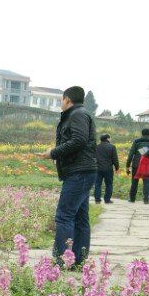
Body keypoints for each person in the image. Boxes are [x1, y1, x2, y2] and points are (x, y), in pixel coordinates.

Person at [48, 86, 97, 266]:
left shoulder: (77, 115)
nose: (61, 103)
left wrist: (54, 153)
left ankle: (62, 259)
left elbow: (79, 140)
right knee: (80, 217)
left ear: (67, 99)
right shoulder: (82, 114)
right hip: (82, 171)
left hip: (79, 172)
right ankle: (78, 259)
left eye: (61, 100)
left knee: (64, 215)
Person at [126, 128, 149, 203]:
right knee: (147, 182)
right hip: (148, 165)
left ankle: (132, 198)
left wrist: (128, 165)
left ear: (142, 133)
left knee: (134, 181)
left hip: (136, 165)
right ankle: (146, 198)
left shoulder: (137, 141)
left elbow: (131, 154)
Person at [93, 133, 119, 204]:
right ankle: (107, 199)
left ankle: (97, 200)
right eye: (110, 138)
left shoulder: (96, 147)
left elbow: (93, 157)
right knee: (109, 184)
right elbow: (115, 159)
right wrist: (117, 167)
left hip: (97, 168)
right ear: (107, 138)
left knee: (97, 184)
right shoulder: (112, 147)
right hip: (108, 169)